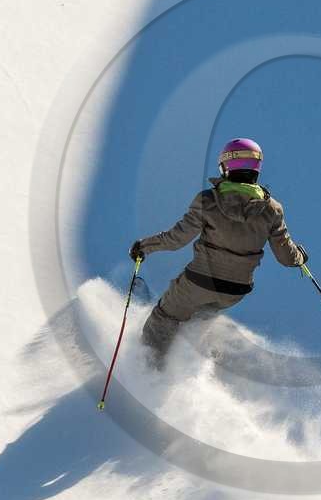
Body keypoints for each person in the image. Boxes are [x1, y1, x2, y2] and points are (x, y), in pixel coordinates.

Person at [128, 138, 308, 370]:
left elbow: (176, 239)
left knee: (164, 317)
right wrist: (300, 257)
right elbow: (286, 257)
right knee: (198, 319)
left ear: (226, 166)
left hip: (199, 282)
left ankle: (147, 368)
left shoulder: (208, 201)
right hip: (235, 291)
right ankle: (190, 361)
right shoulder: (272, 209)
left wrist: (144, 246)